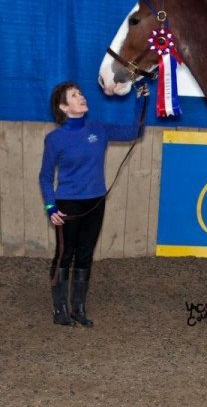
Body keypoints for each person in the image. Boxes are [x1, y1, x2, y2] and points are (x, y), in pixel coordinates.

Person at [39, 81, 149, 327]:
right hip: (67, 204)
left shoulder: (98, 128)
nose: (82, 97)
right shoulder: (54, 139)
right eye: (74, 95)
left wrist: (141, 100)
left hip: (96, 202)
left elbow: (135, 131)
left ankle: (78, 308)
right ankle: (60, 310)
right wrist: (50, 207)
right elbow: (45, 177)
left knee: (86, 254)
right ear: (64, 107)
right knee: (64, 255)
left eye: (81, 93)